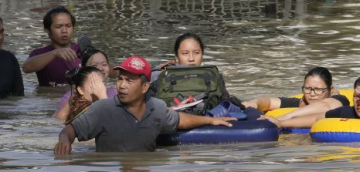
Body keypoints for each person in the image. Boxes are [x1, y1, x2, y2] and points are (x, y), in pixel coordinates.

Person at [54, 55, 235, 153]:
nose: (122, 85)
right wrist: (64, 141)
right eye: (120, 79)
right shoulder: (103, 108)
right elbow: (70, 129)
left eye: (129, 81)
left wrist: (210, 121)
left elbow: (180, 120)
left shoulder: (157, 108)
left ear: (145, 87)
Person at [259, 71, 360, 132]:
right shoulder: (347, 112)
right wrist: (281, 123)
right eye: (357, 96)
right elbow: (317, 118)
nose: (359, 102)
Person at [242, 67, 349, 112]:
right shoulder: (301, 102)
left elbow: (327, 106)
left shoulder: (341, 100)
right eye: (307, 88)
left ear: (329, 90)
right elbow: (270, 102)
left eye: (318, 89)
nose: (312, 94)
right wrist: (255, 102)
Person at [23, 6, 80, 87]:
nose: (64, 30)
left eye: (68, 26)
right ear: (47, 30)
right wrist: (55, 53)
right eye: (58, 27)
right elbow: (26, 68)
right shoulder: (40, 53)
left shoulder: (82, 50)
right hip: (50, 98)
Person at [54, 48, 118, 120]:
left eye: (104, 64)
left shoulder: (116, 93)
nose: (100, 68)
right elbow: (59, 121)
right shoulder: (71, 96)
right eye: (94, 66)